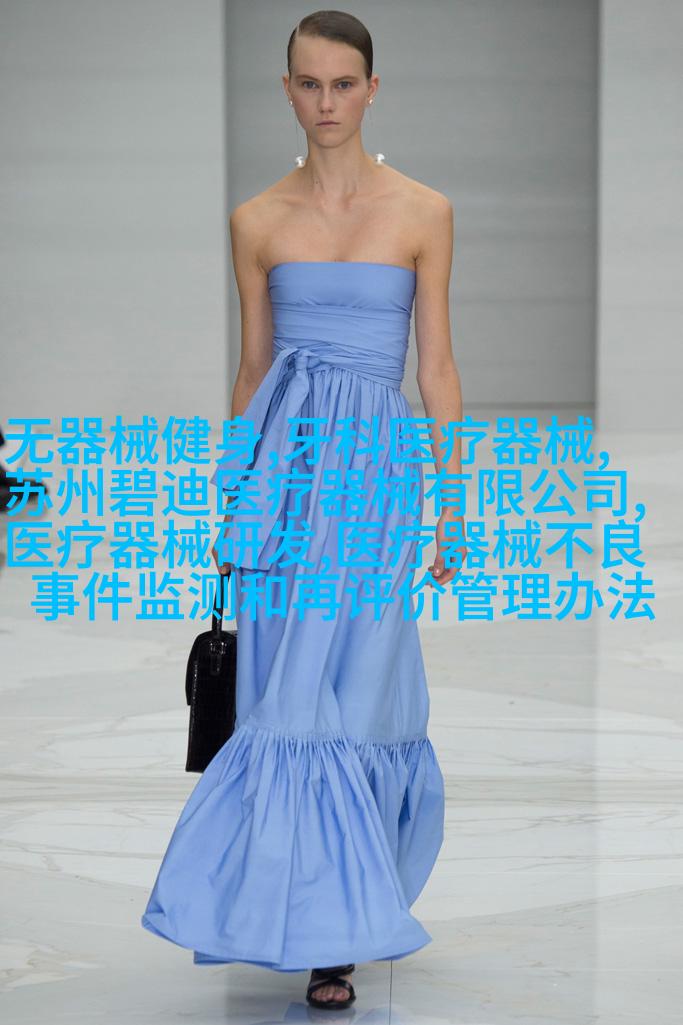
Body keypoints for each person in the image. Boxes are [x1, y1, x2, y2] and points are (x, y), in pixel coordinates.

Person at [140, 9, 465, 1011]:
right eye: (308, 83)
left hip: (375, 483)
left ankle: (338, 926)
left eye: (342, 83)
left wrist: (451, 503)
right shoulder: (256, 219)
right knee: (288, 702)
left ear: (371, 89)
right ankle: (313, 921)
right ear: (287, 90)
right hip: (285, 480)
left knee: (360, 698)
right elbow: (251, 370)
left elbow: (436, 366)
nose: (326, 102)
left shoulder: (422, 212)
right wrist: (233, 493)